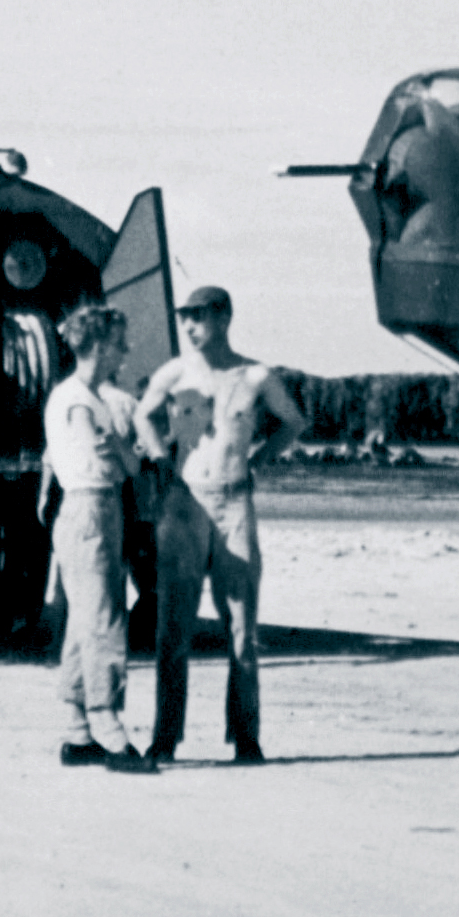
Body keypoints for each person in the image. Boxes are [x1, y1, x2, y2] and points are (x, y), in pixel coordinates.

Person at [136, 285, 306, 764]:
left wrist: (260, 458)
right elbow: (143, 415)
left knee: (242, 626)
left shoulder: (256, 376)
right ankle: (165, 736)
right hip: (184, 502)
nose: (190, 326)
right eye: (185, 318)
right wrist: (159, 458)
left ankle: (246, 737)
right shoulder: (175, 372)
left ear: (224, 317)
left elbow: (294, 421)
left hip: (235, 502)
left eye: (199, 317)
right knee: (173, 626)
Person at [36, 305, 156, 772]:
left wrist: (126, 453)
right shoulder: (82, 401)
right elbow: (123, 464)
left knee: (83, 621)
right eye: (120, 344)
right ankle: (109, 728)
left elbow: (122, 458)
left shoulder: (79, 396)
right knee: (104, 619)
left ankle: (77, 727)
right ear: (100, 346)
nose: (124, 354)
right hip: (92, 507)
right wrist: (131, 452)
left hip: (88, 509)